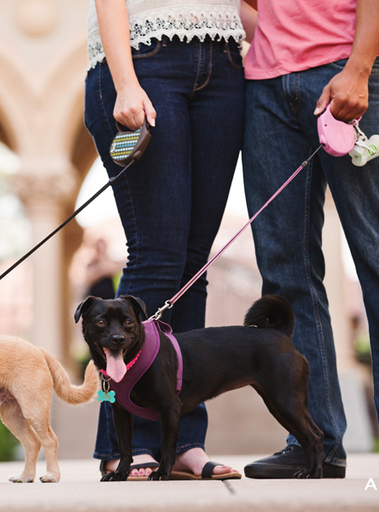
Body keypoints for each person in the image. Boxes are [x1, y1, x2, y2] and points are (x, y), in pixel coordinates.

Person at [241, 0, 379, 479]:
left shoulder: (356, 69)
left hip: (347, 69)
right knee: (285, 273)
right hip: (266, 88)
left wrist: (360, 67)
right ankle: (314, 442)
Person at [84, 0, 246, 479]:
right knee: (158, 256)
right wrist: (125, 79)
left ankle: (183, 440)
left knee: (193, 267)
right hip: (144, 59)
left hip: (225, 65)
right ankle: (123, 446)